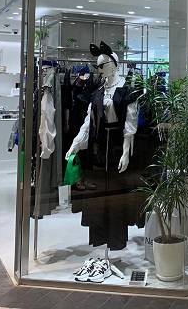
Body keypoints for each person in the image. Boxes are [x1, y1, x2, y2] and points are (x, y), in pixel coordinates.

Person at [65, 41, 144, 250]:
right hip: (98, 149)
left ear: (114, 65)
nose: (99, 69)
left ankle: (116, 241)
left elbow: (130, 125)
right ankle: (100, 240)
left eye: (103, 65)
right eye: (97, 66)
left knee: (117, 196)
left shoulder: (127, 91)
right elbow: (88, 122)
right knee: (98, 197)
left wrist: (126, 152)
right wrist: (75, 144)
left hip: (117, 147)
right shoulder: (98, 91)